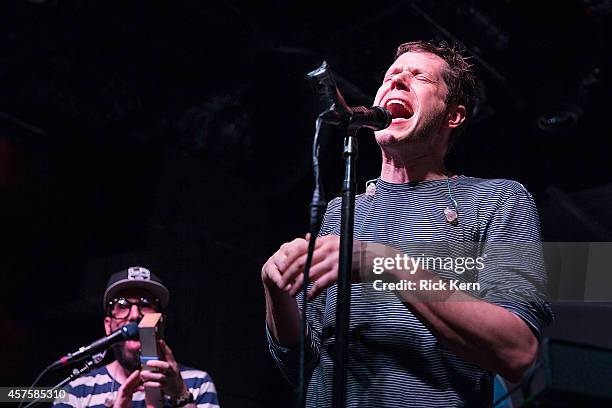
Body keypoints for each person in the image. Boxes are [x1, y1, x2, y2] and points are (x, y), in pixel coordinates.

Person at [261, 40, 552, 407]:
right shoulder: (341, 212)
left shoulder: (497, 200)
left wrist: (382, 263)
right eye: (391, 76)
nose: (397, 81)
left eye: (419, 77)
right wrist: (276, 295)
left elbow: (517, 351)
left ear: (454, 115)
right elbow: (301, 362)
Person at [53, 266, 219, 408]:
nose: (134, 315)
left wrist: (180, 395)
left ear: (161, 322)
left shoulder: (197, 383)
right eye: (123, 305)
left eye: (146, 304)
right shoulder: (75, 390)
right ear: (108, 325)